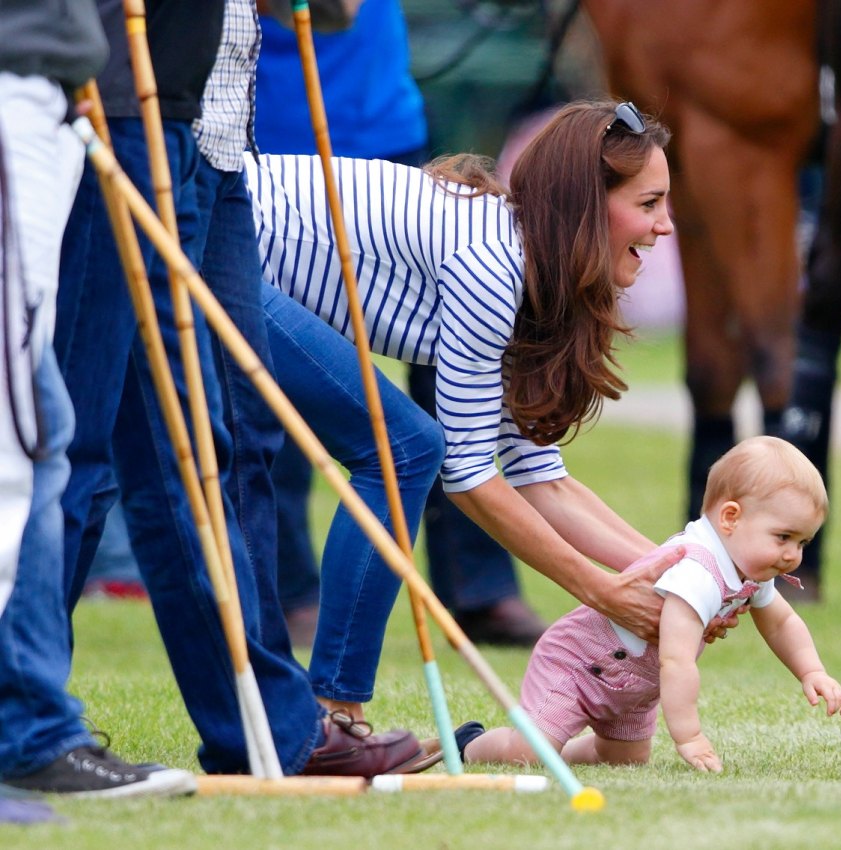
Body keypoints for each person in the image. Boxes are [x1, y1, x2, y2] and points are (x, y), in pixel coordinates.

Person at [243, 100, 730, 723]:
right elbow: (470, 476)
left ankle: (334, 711)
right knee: (409, 448)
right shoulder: (493, 268)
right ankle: (336, 713)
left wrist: (683, 573)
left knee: (409, 446)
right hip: (213, 243)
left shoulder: (528, 267)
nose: (665, 226)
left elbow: (541, 479)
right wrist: (601, 590)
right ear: (585, 207)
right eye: (648, 204)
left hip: (225, 240)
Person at [50, 0, 432, 780]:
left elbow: (334, 12)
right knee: (105, 444)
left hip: (216, 141)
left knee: (226, 441)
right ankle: (32, 713)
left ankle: (264, 722)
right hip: (130, 116)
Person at [254, 0, 545, 649]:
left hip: (379, 114)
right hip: (271, 131)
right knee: (279, 365)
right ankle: (293, 588)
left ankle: (479, 586)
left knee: (460, 359)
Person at [0, 0, 195, 803]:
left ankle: (31, 729)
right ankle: (32, 733)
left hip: (51, 102)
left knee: (40, 435)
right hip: (18, 100)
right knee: (26, 441)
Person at [454, 436, 841, 772]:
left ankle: (562, 749)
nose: (792, 556)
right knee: (531, 753)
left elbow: (782, 623)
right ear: (730, 518)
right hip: (580, 664)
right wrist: (689, 736)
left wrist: (811, 670)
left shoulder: (749, 568)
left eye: (802, 543)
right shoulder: (696, 570)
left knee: (621, 759)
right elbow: (676, 660)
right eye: (783, 537)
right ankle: (471, 745)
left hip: (634, 686)